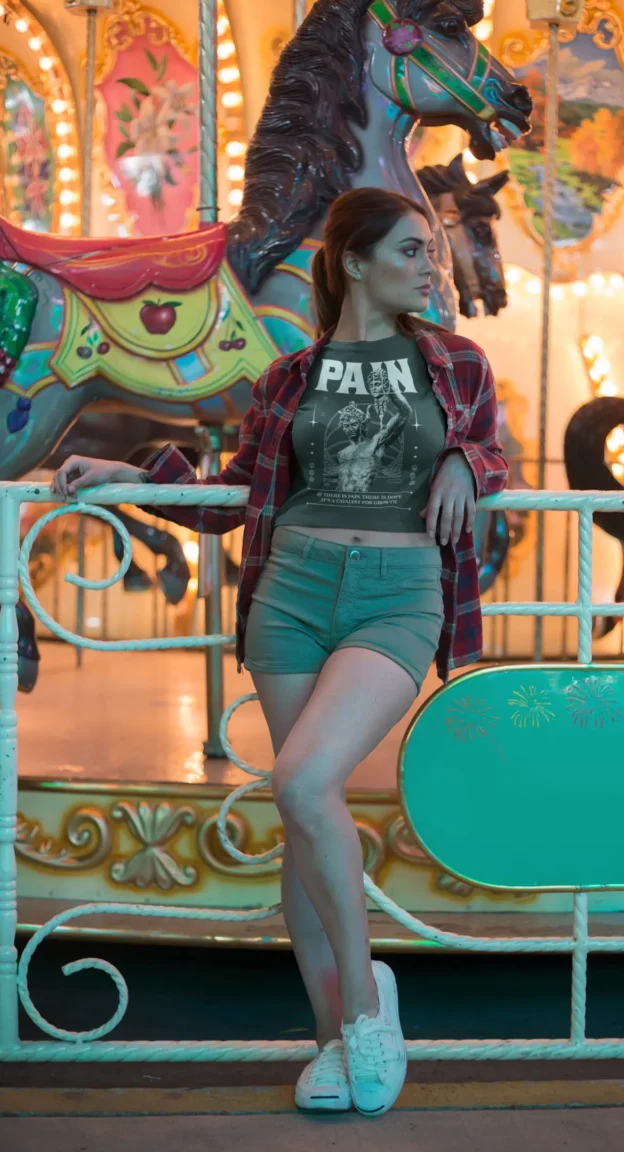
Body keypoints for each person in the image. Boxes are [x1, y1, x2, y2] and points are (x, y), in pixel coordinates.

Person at [51, 187, 509, 1116]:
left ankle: (372, 1007)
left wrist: (468, 460)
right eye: (414, 251)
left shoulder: (456, 363)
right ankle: (333, 1038)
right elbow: (234, 499)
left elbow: (489, 450)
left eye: (432, 252)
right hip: (291, 598)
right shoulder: (288, 378)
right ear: (355, 263)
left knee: (301, 783)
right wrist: (130, 476)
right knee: (304, 829)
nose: (432, 267)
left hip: (396, 599)